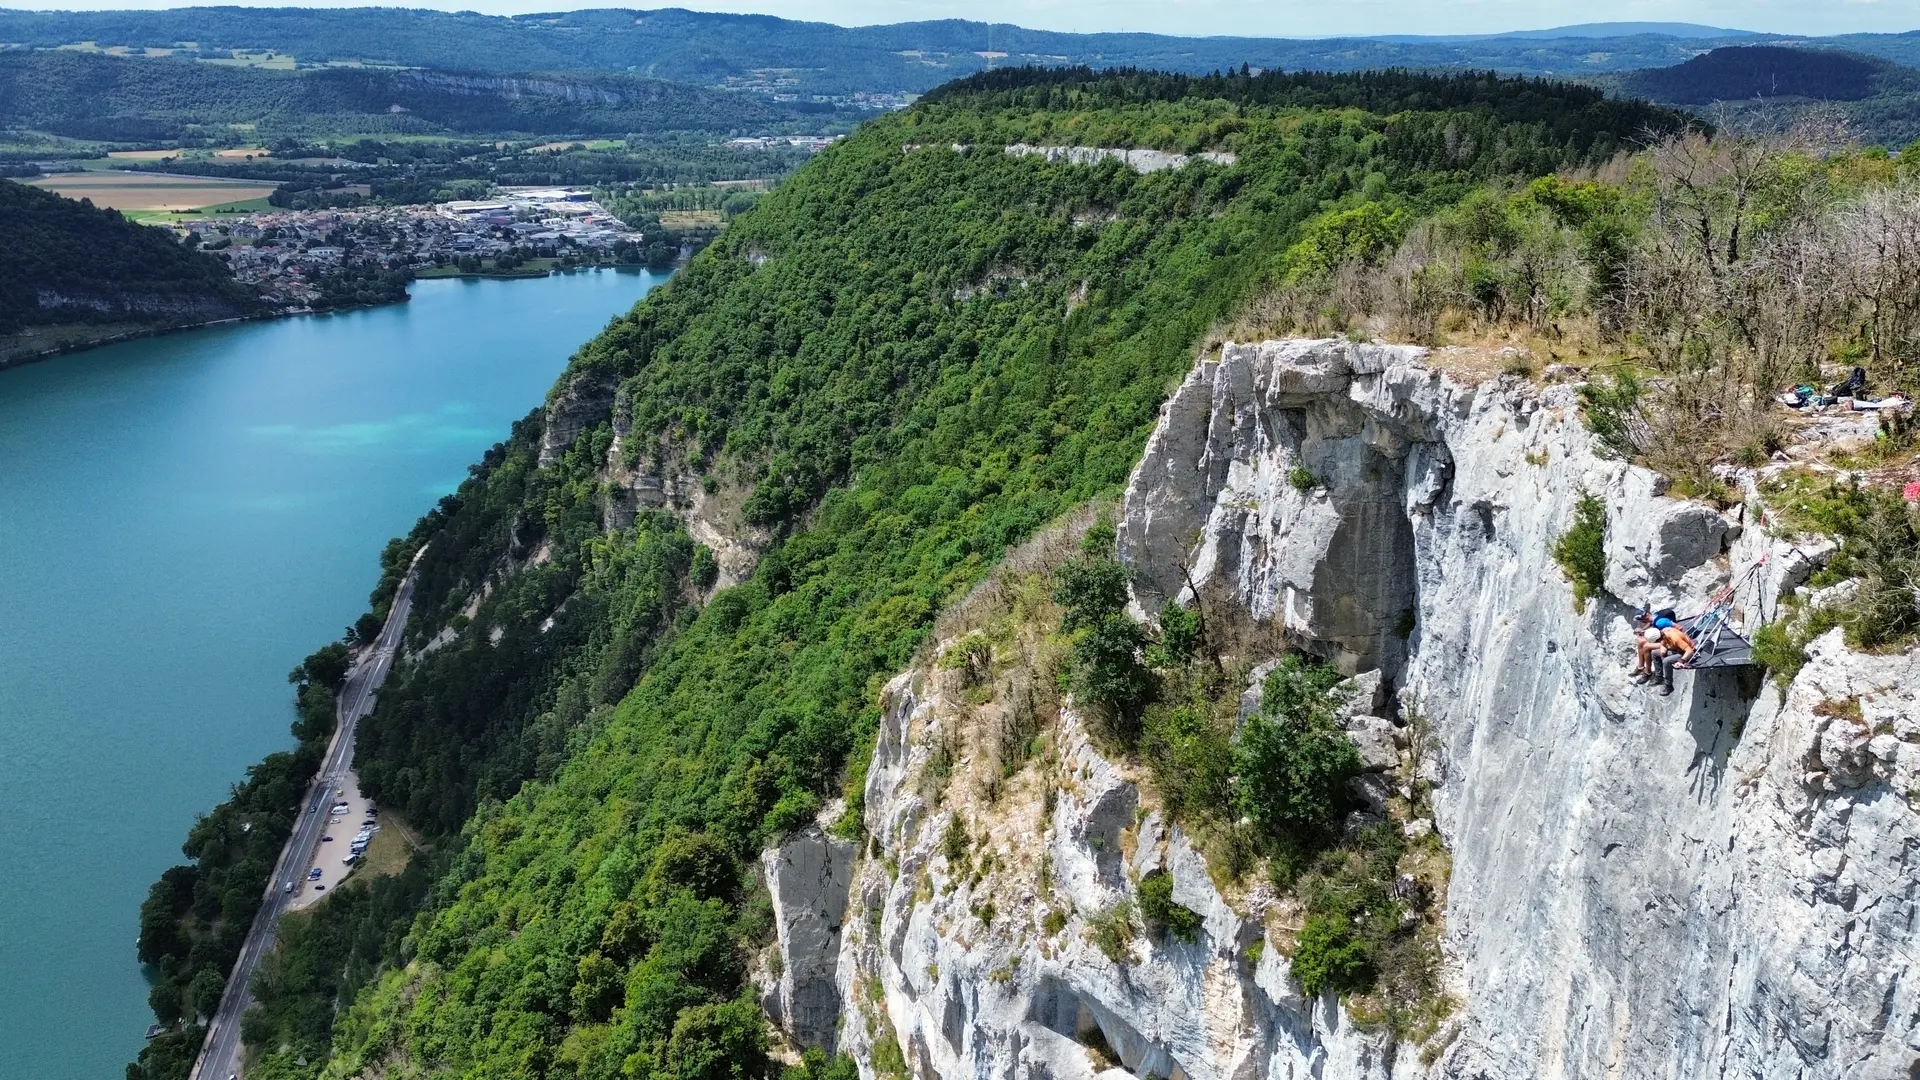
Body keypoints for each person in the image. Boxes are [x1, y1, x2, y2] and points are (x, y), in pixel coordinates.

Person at [1649, 623, 1697, 697]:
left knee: (1666, 661)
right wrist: (1663, 651)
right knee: (1654, 653)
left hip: (1686, 653)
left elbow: (1690, 651)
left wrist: (1681, 661)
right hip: (1677, 650)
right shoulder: (1663, 633)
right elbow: (1663, 645)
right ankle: (1659, 677)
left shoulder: (1675, 638)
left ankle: (1668, 685)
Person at [1630, 607, 1677, 681]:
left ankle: (1648, 672)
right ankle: (1640, 667)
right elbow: (1650, 623)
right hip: (1665, 637)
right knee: (1641, 642)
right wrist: (1643, 630)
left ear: (1643, 619)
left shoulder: (1660, 622)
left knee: (1646, 647)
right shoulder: (1654, 616)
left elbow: (1678, 628)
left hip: (1670, 641)